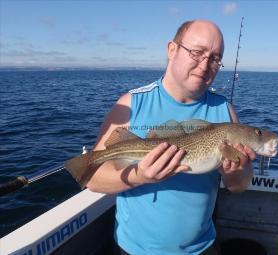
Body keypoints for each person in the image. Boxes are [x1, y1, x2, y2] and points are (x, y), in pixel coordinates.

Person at [86, 20, 255, 255]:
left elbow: (239, 185)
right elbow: (92, 179)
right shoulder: (131, 103)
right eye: (197, 53)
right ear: (172, 50)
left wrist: (237, 174)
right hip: (135, 250)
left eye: (215, 58)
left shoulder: (225, 111)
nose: (205, 64)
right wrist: (140, 176)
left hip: (202, 247)